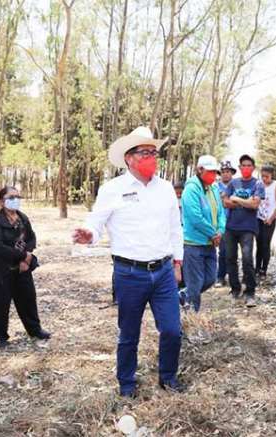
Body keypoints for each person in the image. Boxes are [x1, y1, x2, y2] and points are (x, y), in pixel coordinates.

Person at [73, 126, 184, 397]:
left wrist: (178, 261)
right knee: (129, 334)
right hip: (129, 273)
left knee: (172, 329)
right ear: (128, 158)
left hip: (163, 272)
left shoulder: (166, 188)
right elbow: (96, 222)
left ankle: (168, 377)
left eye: (153, 152)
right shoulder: (113, 189)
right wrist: (89, 234)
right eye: (144, 152)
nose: (151, 157)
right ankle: (126, 383)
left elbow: (175, 227)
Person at [0, 187, 50, 347]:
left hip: (22, 268)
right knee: (2, 303)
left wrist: (26, 258)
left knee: (28, 298)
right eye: (11, 197)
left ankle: (35, 330)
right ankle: (1, 336)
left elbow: (31, 238)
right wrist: (22, 256)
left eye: (17, 196)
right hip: (1, 269)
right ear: (2, 201)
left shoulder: (23, 218)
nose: (15, 199)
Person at [181, 155, 227, 312]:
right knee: (195, 283)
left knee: (209, 279)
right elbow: (195, 217)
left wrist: (220, 231)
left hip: (210, 243)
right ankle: (192, 318)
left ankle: (183, 296)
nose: (213, 175)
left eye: (215, 172)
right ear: (200, 170)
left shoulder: (214, 187)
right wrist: (213, 234)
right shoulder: (191, 189)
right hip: (194, 243)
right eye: (210, 171)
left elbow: (221, 212)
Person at [223, 154, 265, 308]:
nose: (246, 168)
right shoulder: (233, 183)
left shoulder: (258, 184)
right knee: (230, 258)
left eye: (249, 165)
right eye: (243, 165)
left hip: (248, 228)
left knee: (247, 259)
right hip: (231, 227)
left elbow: (255, 205)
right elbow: (226, 202)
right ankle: (235, 289)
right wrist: (243, 202)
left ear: (253, 168)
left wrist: (237, 199)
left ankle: (250, 292)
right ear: (240, 168)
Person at [255, 165, 276, 278]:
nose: (264, 179)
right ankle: (256, 267)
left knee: (266, 244)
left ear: (272, 175)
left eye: (267, 176)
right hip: (258, 219)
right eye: (262, 176)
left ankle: (264, 269)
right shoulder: (258, 185)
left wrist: (271, 218)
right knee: (258, 244)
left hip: (269, 220)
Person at [216, 160, 236, 287]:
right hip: (221, 222)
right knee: (222, 251)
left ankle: (233, 275)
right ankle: (220, 276)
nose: (225, 174)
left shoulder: (236, 186)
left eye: (228, 172)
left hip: (235, 221)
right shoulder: (215, 187)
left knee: (232, 252)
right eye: (223, 172)